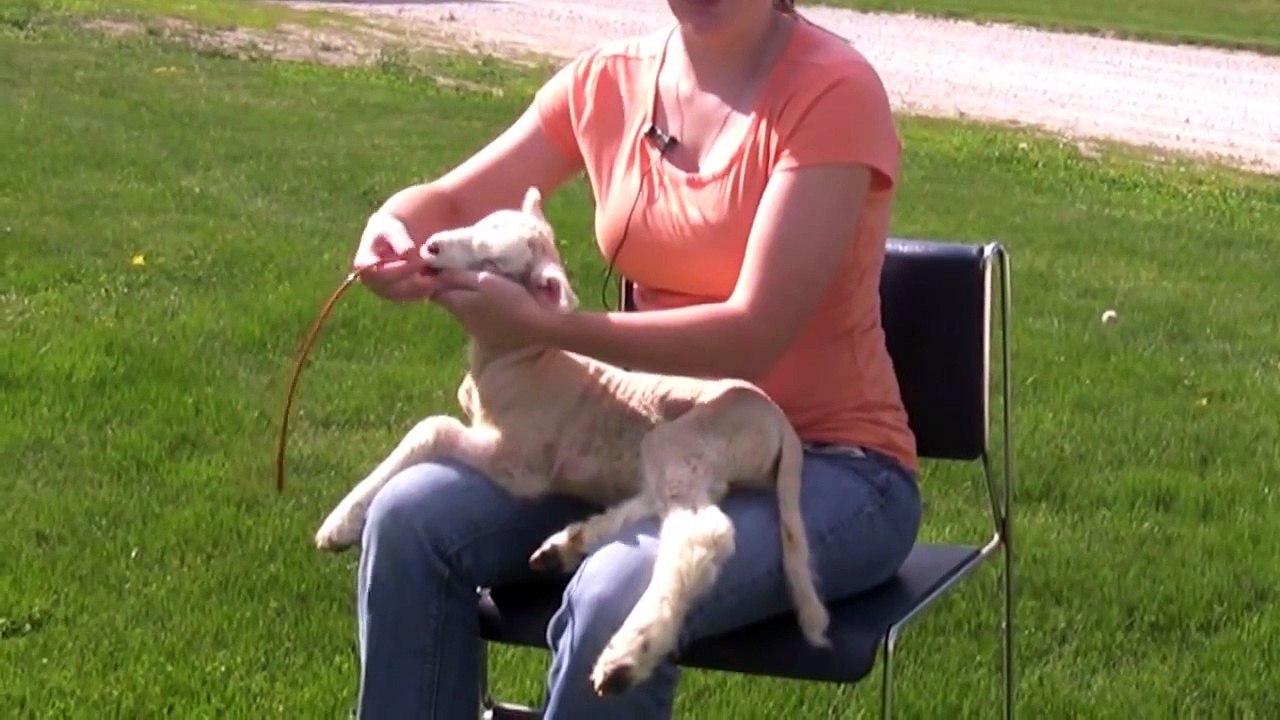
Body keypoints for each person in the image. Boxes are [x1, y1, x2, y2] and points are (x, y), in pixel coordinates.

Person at [346, 0, 922, 717]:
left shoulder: (835, 91)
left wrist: (549, 329)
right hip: (640, 446)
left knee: (617, 591)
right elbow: (454, 198)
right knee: (406, 520)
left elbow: (753, 335)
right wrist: (391, 227)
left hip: (827, 466)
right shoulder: (606, 83)